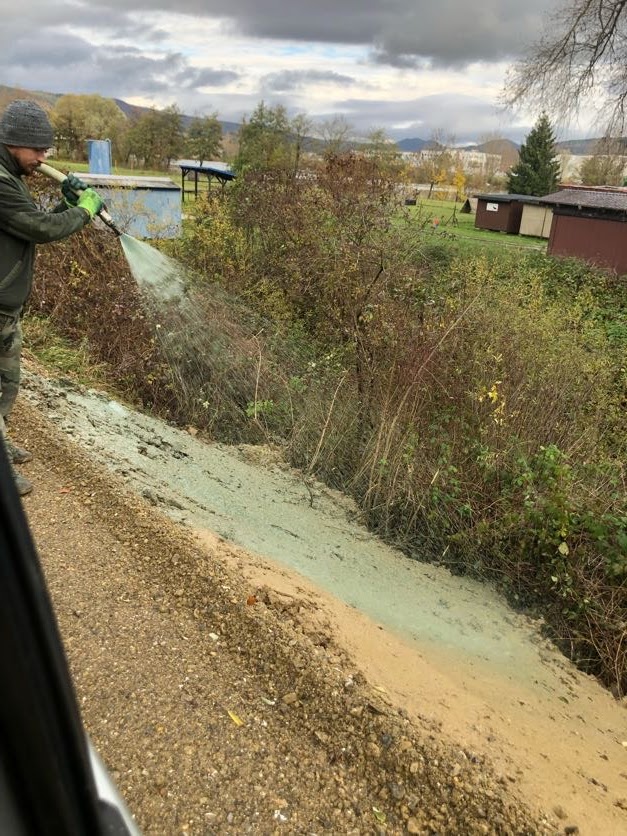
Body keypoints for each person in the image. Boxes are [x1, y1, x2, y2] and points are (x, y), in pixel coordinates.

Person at [0, 99, 104, 496]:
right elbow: (40, 229)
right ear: (14, 142)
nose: (43, 158)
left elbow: (27, 223)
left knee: (8, 382)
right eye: (38, 150)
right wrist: (85, 212)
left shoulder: (12, 176)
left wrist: (67, 203)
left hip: (7, 307)